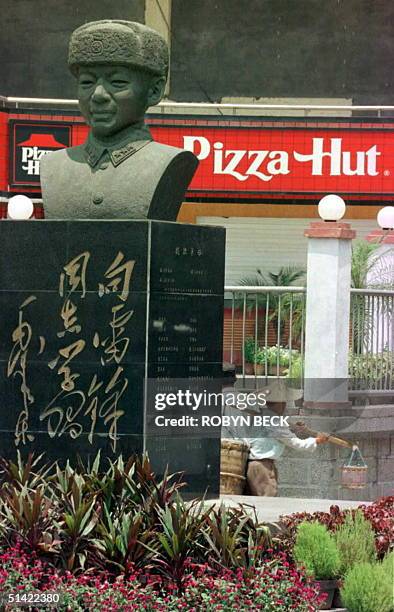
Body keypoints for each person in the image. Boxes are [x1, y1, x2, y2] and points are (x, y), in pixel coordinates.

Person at [40, 20, 198, 220]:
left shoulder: (170, 163)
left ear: (154, 91)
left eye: (117, 82)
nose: (98, 95)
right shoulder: (54, 166)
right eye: (87, 82)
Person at [244, 399, 329, 497]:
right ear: (281, 404)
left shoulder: (262, 415)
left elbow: (281, 433)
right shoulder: (275, 421)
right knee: (267, 502)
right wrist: (317, 440)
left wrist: (296, 428)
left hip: (253, 465)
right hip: (263, 467)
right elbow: (295, 442)